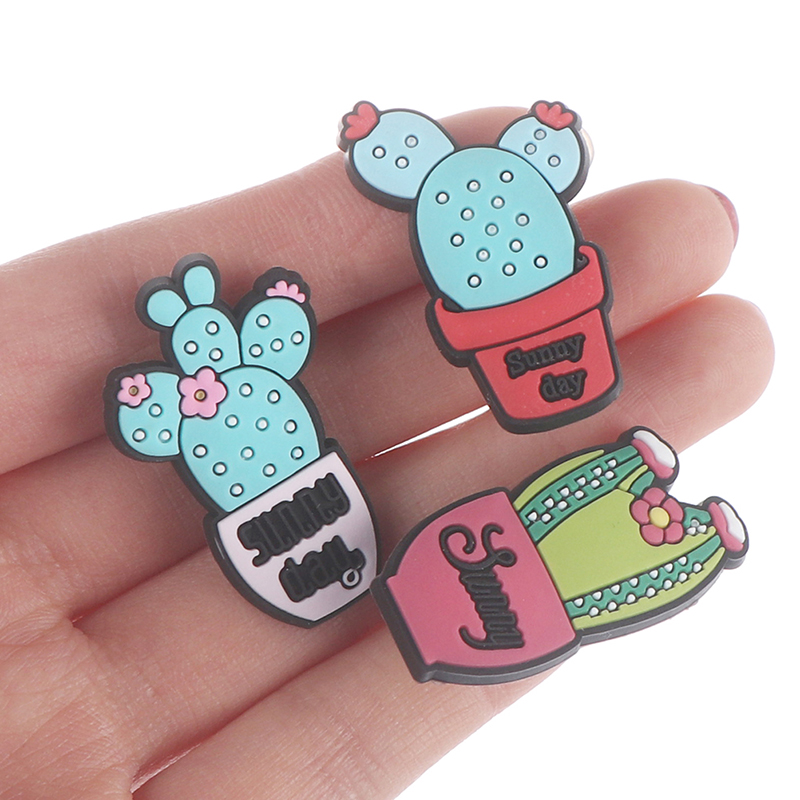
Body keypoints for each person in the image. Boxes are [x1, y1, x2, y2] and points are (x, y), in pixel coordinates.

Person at [0, 105, 773, 799]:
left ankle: (649, 488)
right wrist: (164, 392)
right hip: (302, 515)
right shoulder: (223, 394)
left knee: (566, 527)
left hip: (355, 512)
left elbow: (258, 353)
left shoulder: (253, 373)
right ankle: (662, 501)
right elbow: (190, 401)